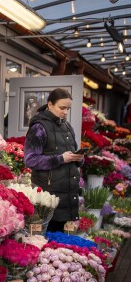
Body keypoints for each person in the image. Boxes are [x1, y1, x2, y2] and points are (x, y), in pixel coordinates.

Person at [24, 88, 84, 233]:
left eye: (68, 108)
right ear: (50, 105)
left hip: (67, 193)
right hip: (48, 196)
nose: (65, 112)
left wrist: (78, 158)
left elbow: (71, 153)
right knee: (46, 239)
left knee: (59, 243)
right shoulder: (39, 127)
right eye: (61, 107)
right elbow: (30, 160)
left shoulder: (67, 126)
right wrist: (60, 158)